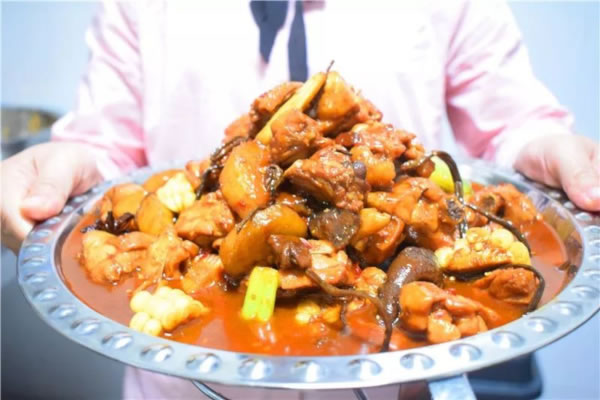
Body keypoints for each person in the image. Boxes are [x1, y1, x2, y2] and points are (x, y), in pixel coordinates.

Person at [1, 1, 598, 399]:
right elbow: (103, 149)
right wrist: (68, 164)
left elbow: (514, 123)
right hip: (183, 382)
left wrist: (550, 148)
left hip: (401, 379)